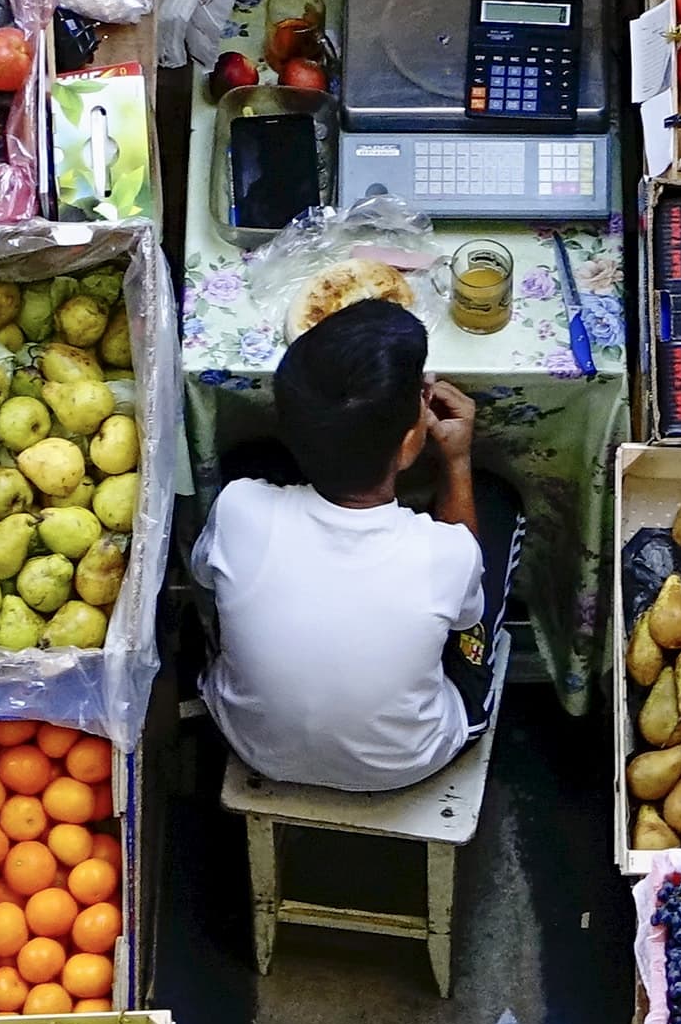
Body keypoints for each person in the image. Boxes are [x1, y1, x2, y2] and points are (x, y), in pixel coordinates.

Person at [191, 298, 520, 792]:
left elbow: (204, 577)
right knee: (494, 505)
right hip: (407, 761)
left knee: (246, 464)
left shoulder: (238, 508)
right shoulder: (444, 555)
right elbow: (465, 617)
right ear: (412, 441)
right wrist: (456, 460)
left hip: (253, 744)